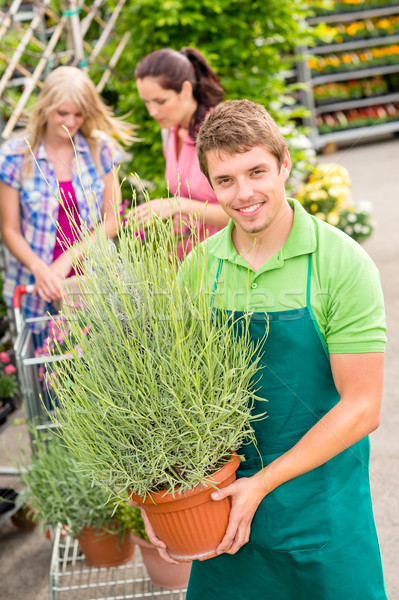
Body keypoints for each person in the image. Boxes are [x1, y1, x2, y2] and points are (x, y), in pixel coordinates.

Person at [143, 100, 388, 599]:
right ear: (210, 185)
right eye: (226, 180)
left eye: (257, 171)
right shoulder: (199, 268)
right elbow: (175, 399)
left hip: (321, 511)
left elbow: (362, 407)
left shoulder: (340, 263)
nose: (244, 193)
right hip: (224, 516)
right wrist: (162, 498)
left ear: (284, 165)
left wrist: (259, 485)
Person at [0, 66, 132, 344]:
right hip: (39, 286)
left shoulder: (100, 150)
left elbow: (111, 220)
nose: (70, 122)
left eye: (78, 114)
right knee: (49, 374)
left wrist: (65, 263)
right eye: (62, 113)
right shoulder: (16, 156)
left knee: (104, 372)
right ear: (45, 107)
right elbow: (10, 229)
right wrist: (42, 270)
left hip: (93, 282)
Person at [134, 47, 229, 257]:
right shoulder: (170, 131)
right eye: (146, 102)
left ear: (186, 90)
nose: (152, 112)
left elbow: (238, 214)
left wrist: (177, 205)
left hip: (226, 257)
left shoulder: (221, 132)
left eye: (160, 101)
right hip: (189, 257)